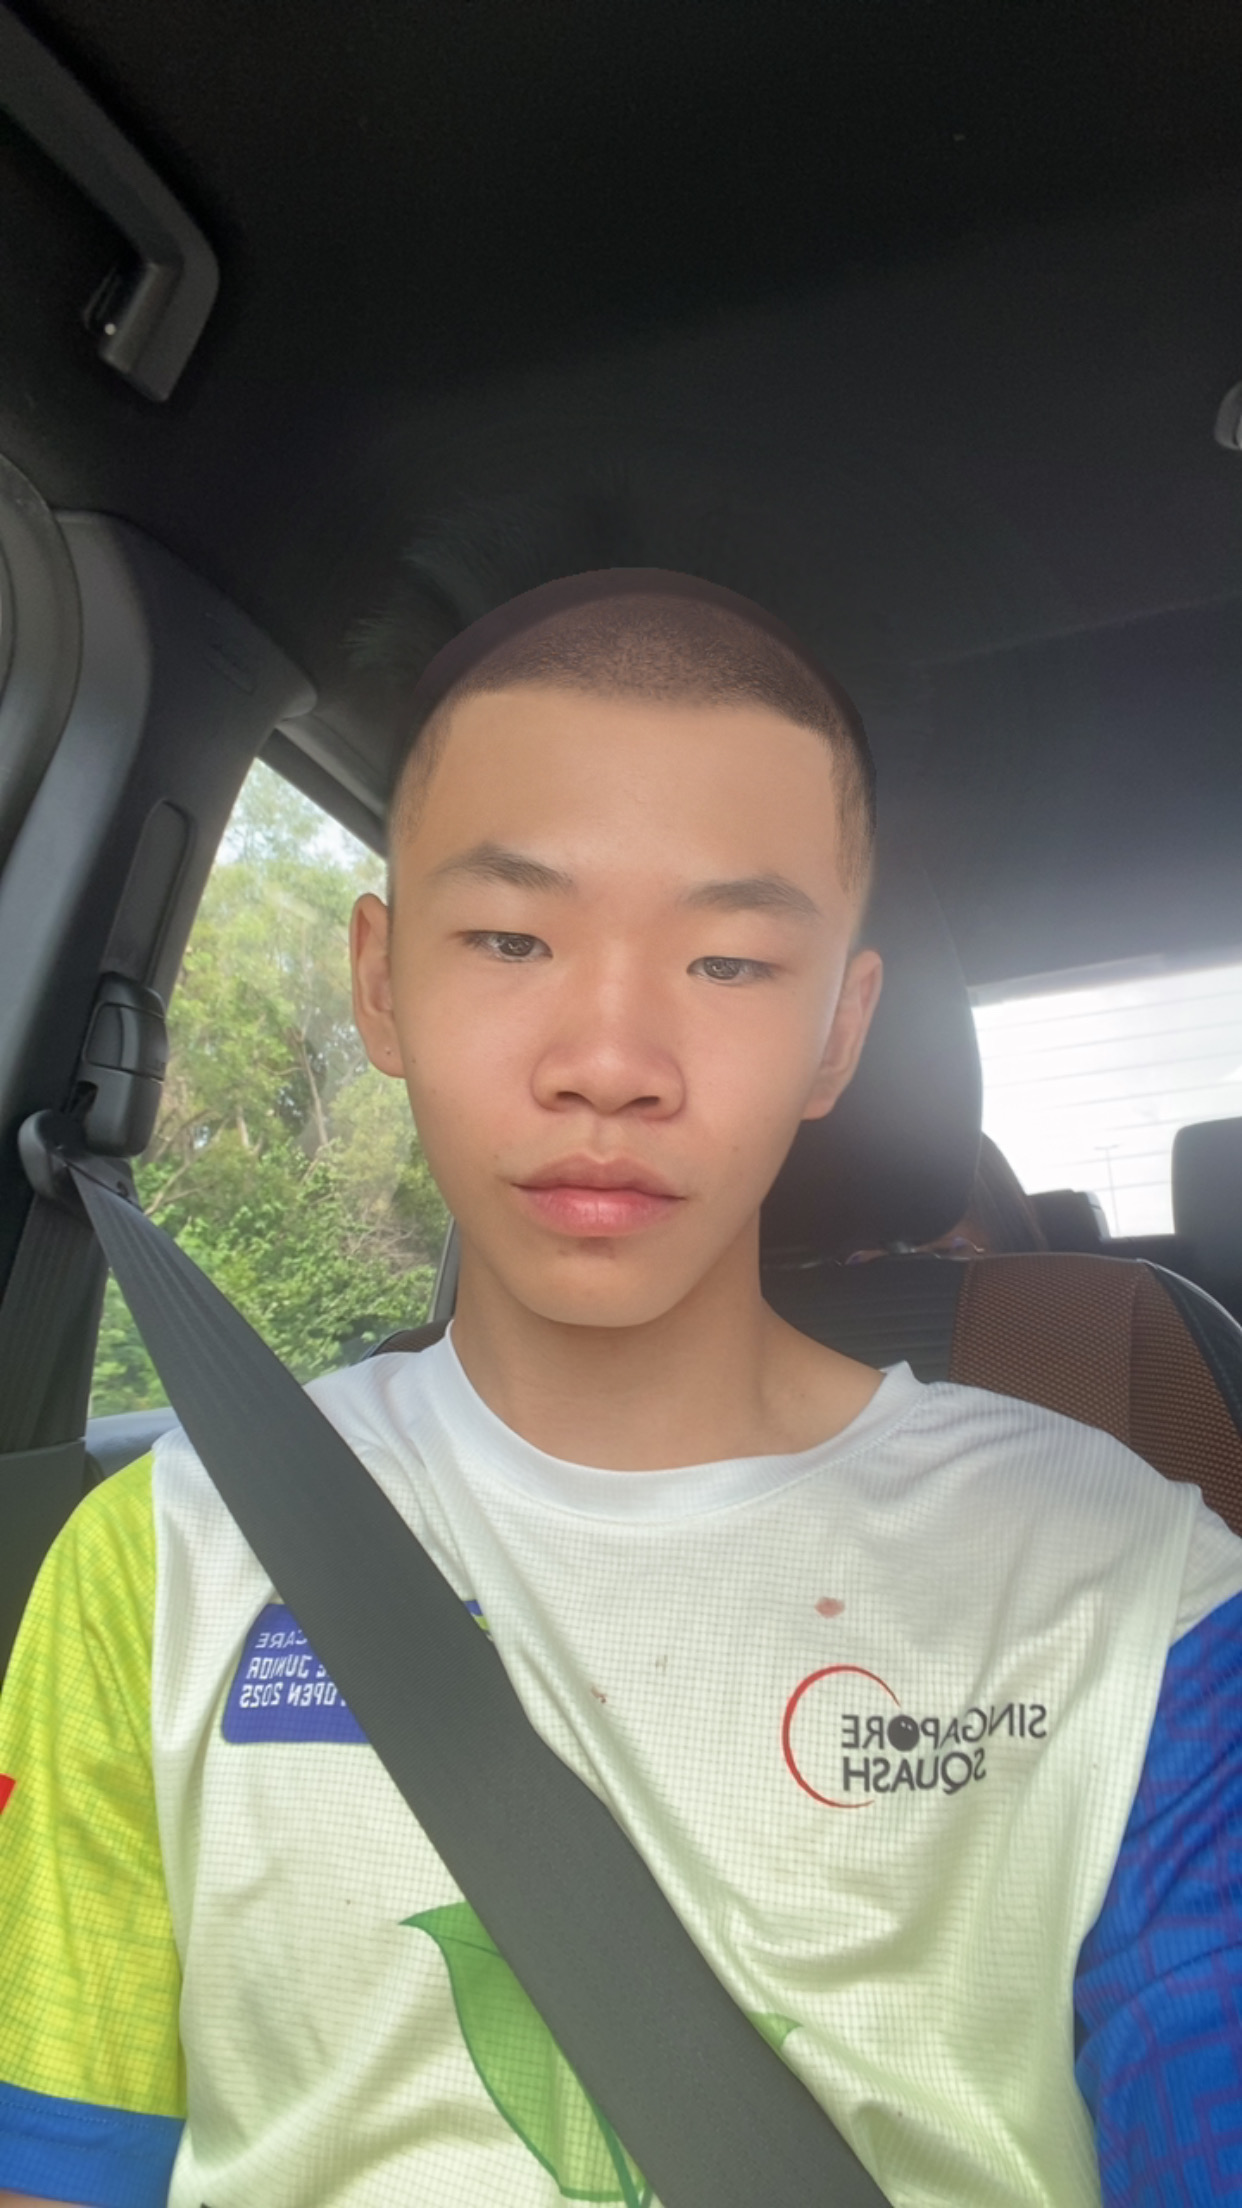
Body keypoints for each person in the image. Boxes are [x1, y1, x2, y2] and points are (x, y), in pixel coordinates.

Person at [1, 570, 1239, 2208]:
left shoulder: (1127, 1587)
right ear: (381, 982)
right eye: (510, 938)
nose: (609, 1061)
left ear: (836, 1034)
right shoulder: (162, 1562)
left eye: (728, 963)